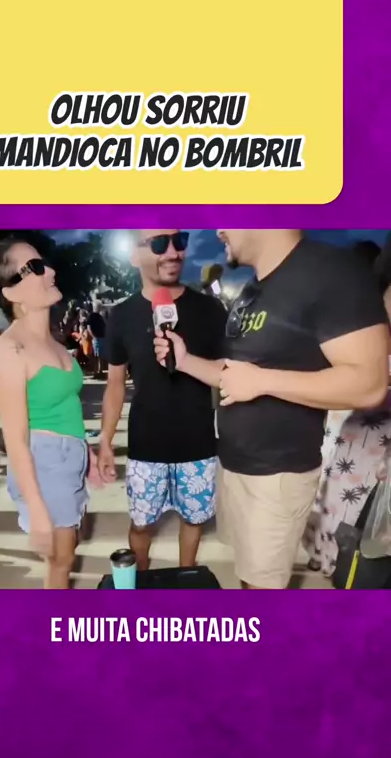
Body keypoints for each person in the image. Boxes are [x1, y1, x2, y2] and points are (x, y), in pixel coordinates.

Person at [154, 230, 389, 589]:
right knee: (248, 578)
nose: (218, 230)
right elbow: (235, 374)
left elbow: (369, 383)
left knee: (262, 590)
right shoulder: (253, 288)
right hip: (235, 466)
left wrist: (263, 381)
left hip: (277, 475)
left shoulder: (331, 272)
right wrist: (185, 361)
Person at [99, 229, 227, 571]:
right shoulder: (122, 315)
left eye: (179, 241)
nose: (173, 252)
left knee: (194, 520)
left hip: (198, 442)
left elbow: (227, 372)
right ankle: (141, 582)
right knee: (141, 525)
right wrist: (105, 441)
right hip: (146, 444)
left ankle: (185, 578)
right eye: (159, 244)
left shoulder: (210, 309)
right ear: (134, 255)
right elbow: (115, 383)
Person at [0, 237, 101, 590]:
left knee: (67, 552)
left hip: (67, 457)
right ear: (10, 292)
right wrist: (35, 507)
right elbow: (14, 438)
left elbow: (63, 404)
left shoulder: (52, 340)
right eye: (34, 268)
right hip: (43, 462)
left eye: (43, 263)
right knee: (61, 563)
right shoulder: (9, 349)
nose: (49, 271)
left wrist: (86, 452)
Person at [305, 239, 391, 575]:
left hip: (358, 431)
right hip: (361, 431)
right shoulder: (366, 310)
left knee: (347, 507)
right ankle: (339, 563)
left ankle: (335, 561)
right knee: (350, 510)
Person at [88, 300, 107, 377]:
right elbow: (89, 327)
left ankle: (100, 371)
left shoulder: (100, 316)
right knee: (97, 356)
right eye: (100, 306)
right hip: (97, 338)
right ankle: (96, 372)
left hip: (102, 337)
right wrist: (94, 337)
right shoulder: (92, 316)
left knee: (101, 356)